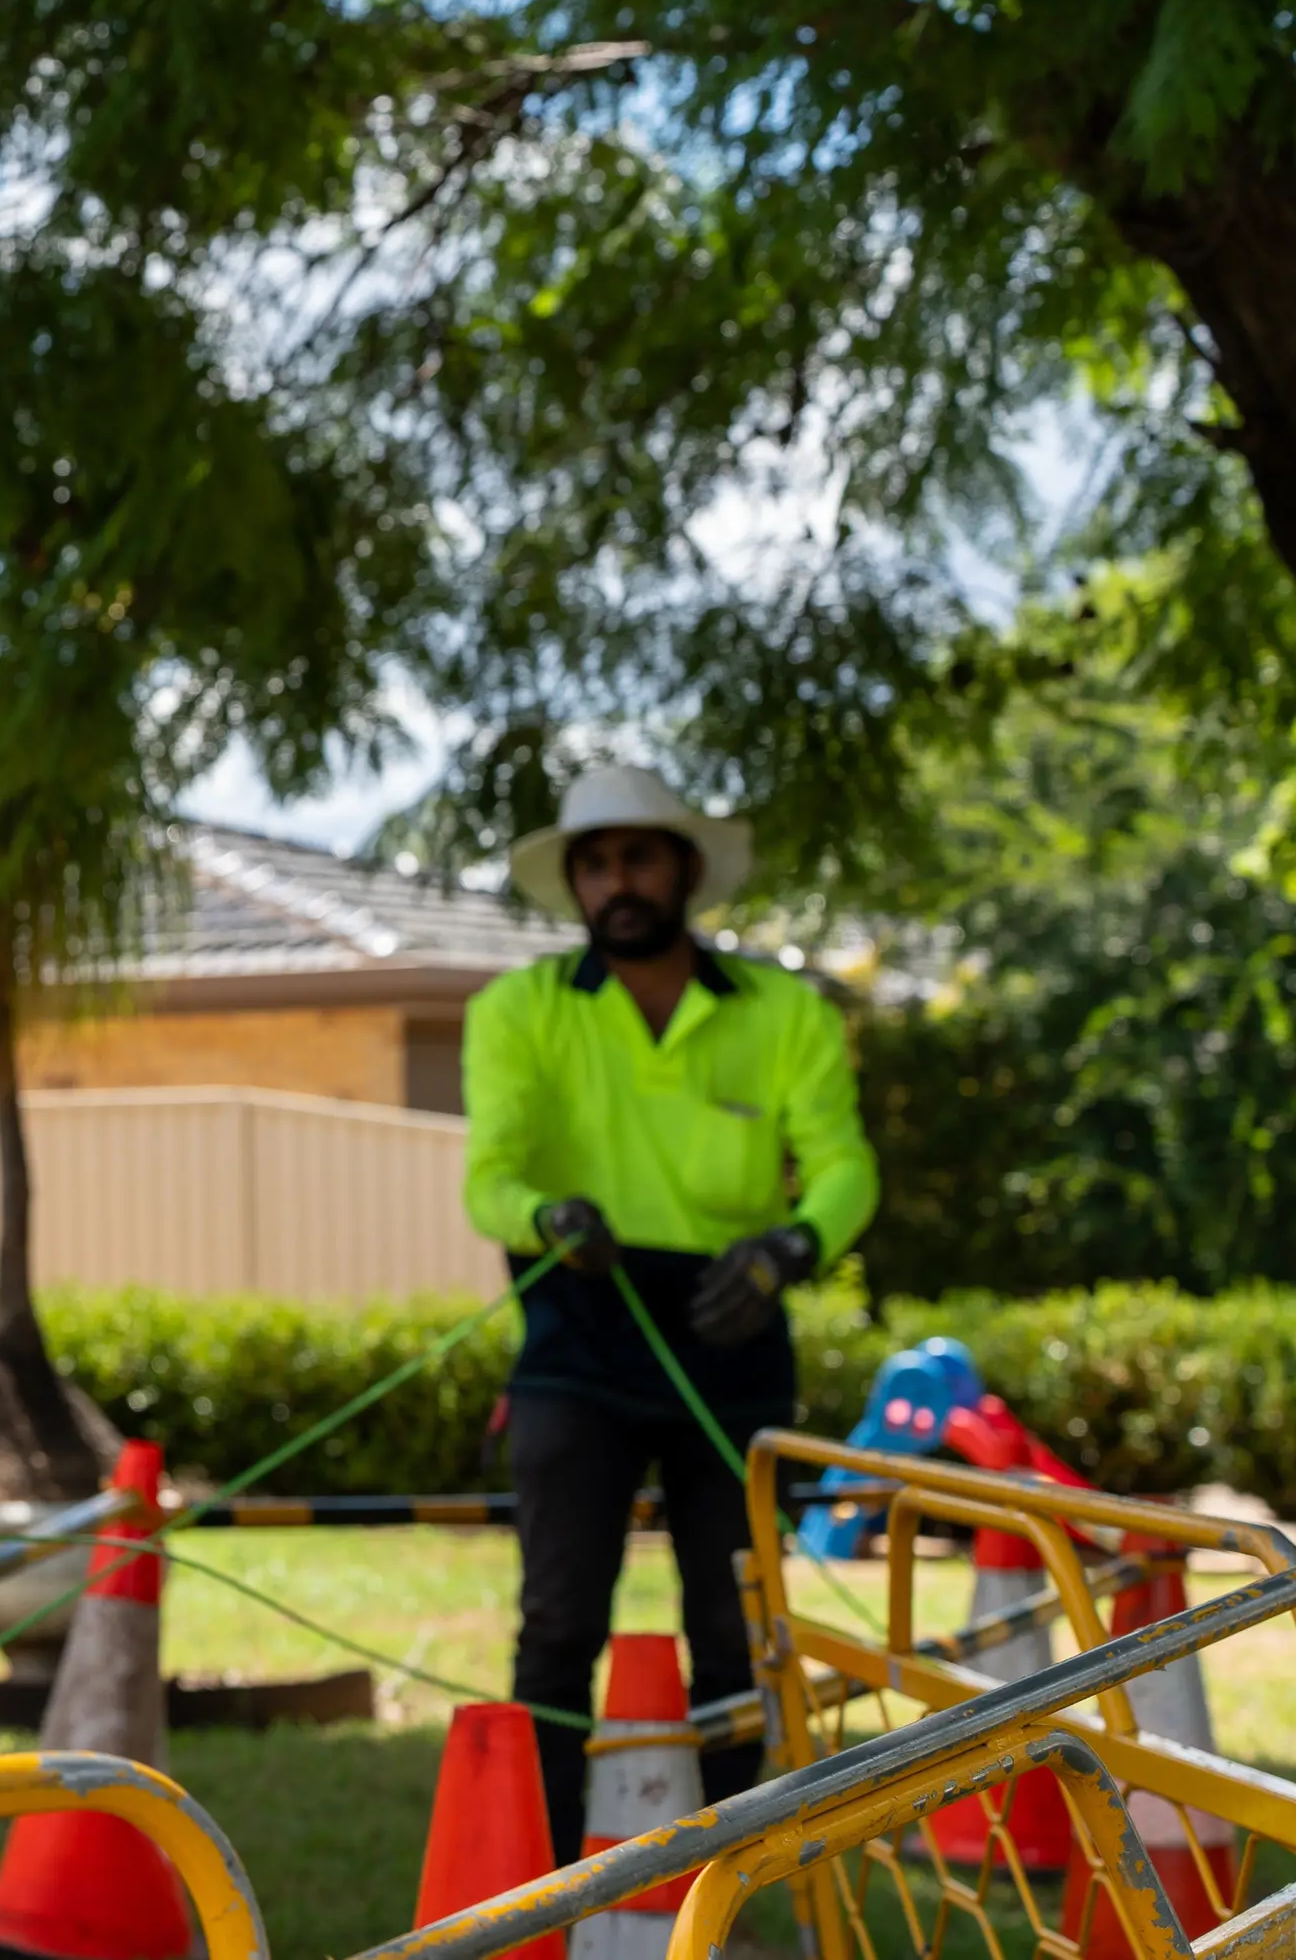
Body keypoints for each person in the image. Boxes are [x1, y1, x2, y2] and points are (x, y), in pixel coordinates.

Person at [461, 763, 879, 1863]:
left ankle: (722, 1885)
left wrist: (792, 1246)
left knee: (736, 1631)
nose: (618, 881)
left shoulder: (784, 1010)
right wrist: (547, 1216)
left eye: (639, 855)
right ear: (576, 884)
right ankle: (540, 1882)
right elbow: (486, 1180)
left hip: (732, 1332)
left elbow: (844, 1169)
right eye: (595, 863)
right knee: (556, 1625)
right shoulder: (518, 1009)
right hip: (575, 1334)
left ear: (687, 868)